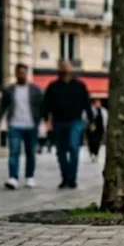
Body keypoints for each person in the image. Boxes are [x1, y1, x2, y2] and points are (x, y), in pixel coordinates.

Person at [0, 64, 44, 189]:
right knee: (13, 152)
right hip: (14, 125)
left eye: (24, 72)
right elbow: (2, 107)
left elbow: (42, 106)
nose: (22, 74)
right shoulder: (9, 90)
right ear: (16, 74)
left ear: (27, 74)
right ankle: (13, 178)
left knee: (30, 153)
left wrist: (43, 121)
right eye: (19, 72)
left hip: (31, 125)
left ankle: (29, 177)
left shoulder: (35, 89)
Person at [43, 59, 92, 189]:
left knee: (73, 147)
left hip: (75, 121)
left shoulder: (79, 86)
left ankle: (72, 178)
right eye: (62, 66)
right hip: (58, 122)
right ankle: (65, 178)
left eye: (67, 66)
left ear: (71, 68)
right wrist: (46, 119)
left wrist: (91, 120)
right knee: (61, 151)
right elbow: (46, 104)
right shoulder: (53, 86)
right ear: (59, 68)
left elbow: (86, 103)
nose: (65, 69)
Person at [86, 98, 106, 163]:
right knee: (91, 142)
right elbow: (85, 118)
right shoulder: (90, 110)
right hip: (90, 129)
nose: (98, 104)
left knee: (97, 142)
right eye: (97, 102)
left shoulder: (103, 110)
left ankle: (96, 154)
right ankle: (92, 153)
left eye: (99, 102)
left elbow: (105, 119)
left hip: (100, 129)